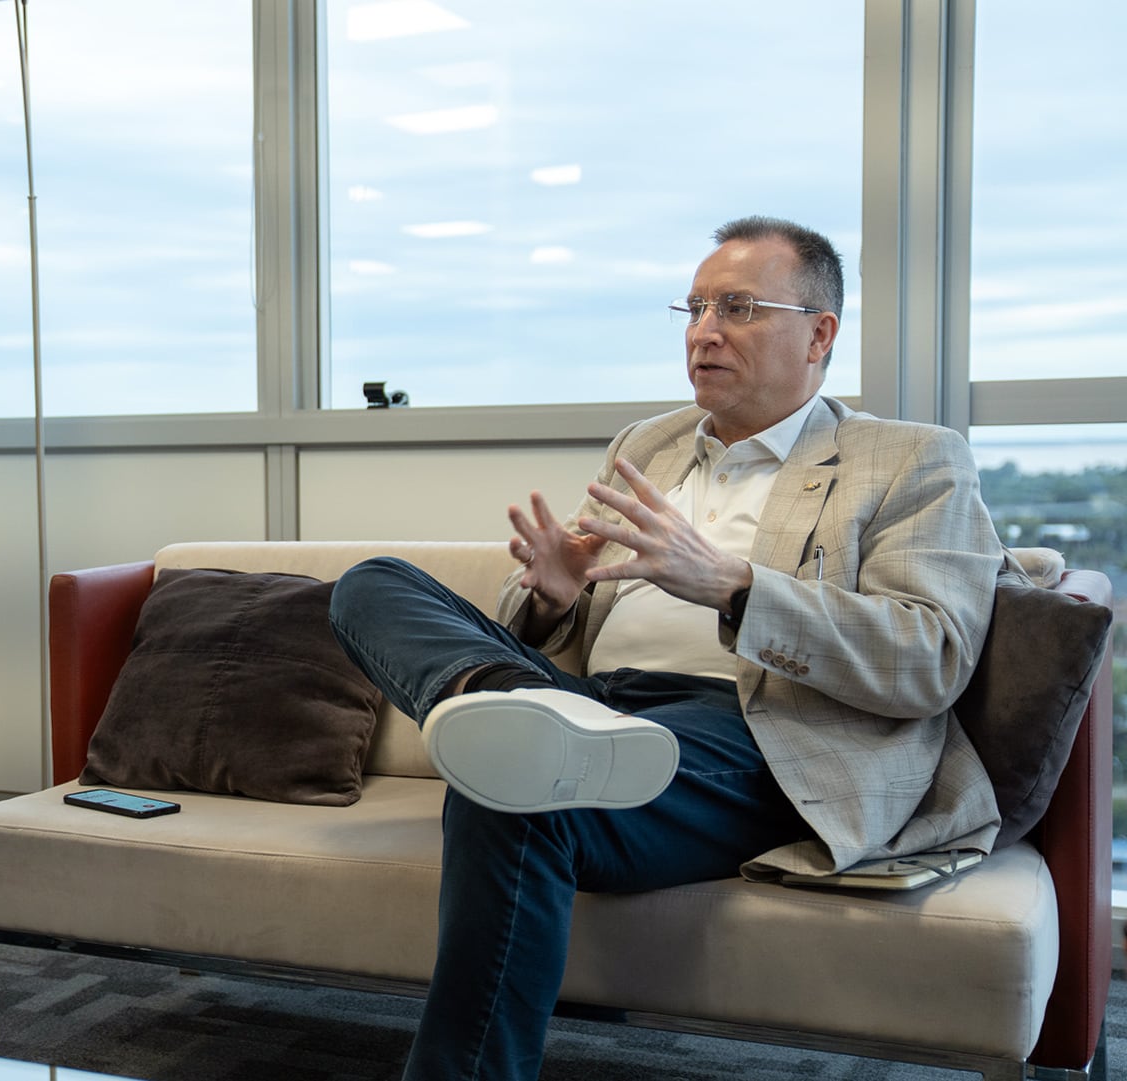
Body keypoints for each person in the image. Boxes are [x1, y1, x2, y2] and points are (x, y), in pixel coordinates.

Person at [328, 216, 1005, 1081]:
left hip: (754, 733)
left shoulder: (910, 460)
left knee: (512, 783)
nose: (703, 331)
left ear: (819, 334)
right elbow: (567, 621)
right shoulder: (648, 443)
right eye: (694, 308)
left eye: (738, 307)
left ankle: (524, 731)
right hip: (595, 707)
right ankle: (513, 704)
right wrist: (554, 597)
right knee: (372, 584)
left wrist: (734, 586)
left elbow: (930, 654)